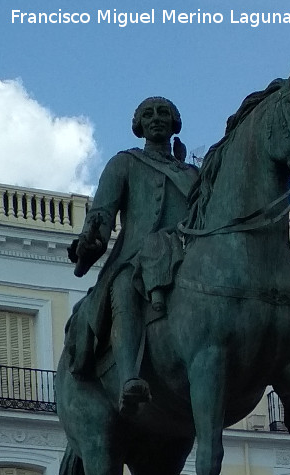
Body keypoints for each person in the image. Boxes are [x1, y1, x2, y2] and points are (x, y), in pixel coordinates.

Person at [66, 97, 198, 416]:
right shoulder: (125, 163)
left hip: (189, 254)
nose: (156, 118)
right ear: (138, 124)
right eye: (148, 114)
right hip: (137, 256)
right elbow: (102, 213)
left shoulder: (193, 173)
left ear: (175, 122)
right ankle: (129, 378)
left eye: (164, 112)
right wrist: (89, 241)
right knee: (124, 288)